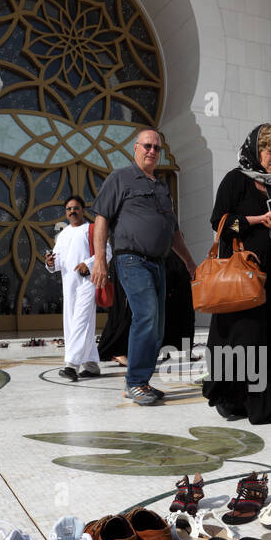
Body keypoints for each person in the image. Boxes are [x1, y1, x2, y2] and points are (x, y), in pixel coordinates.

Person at [203, 123, 271, 425]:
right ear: (256, 150)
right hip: (243, 274)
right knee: (244, 339)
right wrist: (260, 220)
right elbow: (220, 222)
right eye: (270, 151)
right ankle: (233, 398)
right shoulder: (236, 180)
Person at [90, 129, 197, 405]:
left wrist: (188, 261)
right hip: (131, 259)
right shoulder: (120, 178)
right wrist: (100, 260)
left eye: (157, 148)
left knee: (158, 326)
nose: (152, 151)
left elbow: (173, 232)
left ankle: (142, 382)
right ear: (135, 149)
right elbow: (102, 219)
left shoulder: (161, 188)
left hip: (159, 263)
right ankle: (135, 382)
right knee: (146, 315)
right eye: (147, 146)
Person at [47, 196, 102, 379]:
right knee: (74, 324)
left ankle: (71, 365)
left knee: (80, 322)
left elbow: (106, 251)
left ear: (83, 210)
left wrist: (89, 263)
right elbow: (57, 264)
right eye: (69, 209)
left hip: (88, 283)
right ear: (65, 213)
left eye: (76, 208)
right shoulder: (62, 235)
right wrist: (49, 263)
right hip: (69, 286)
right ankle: (92, 365)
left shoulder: (91, 229)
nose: (72, 211)